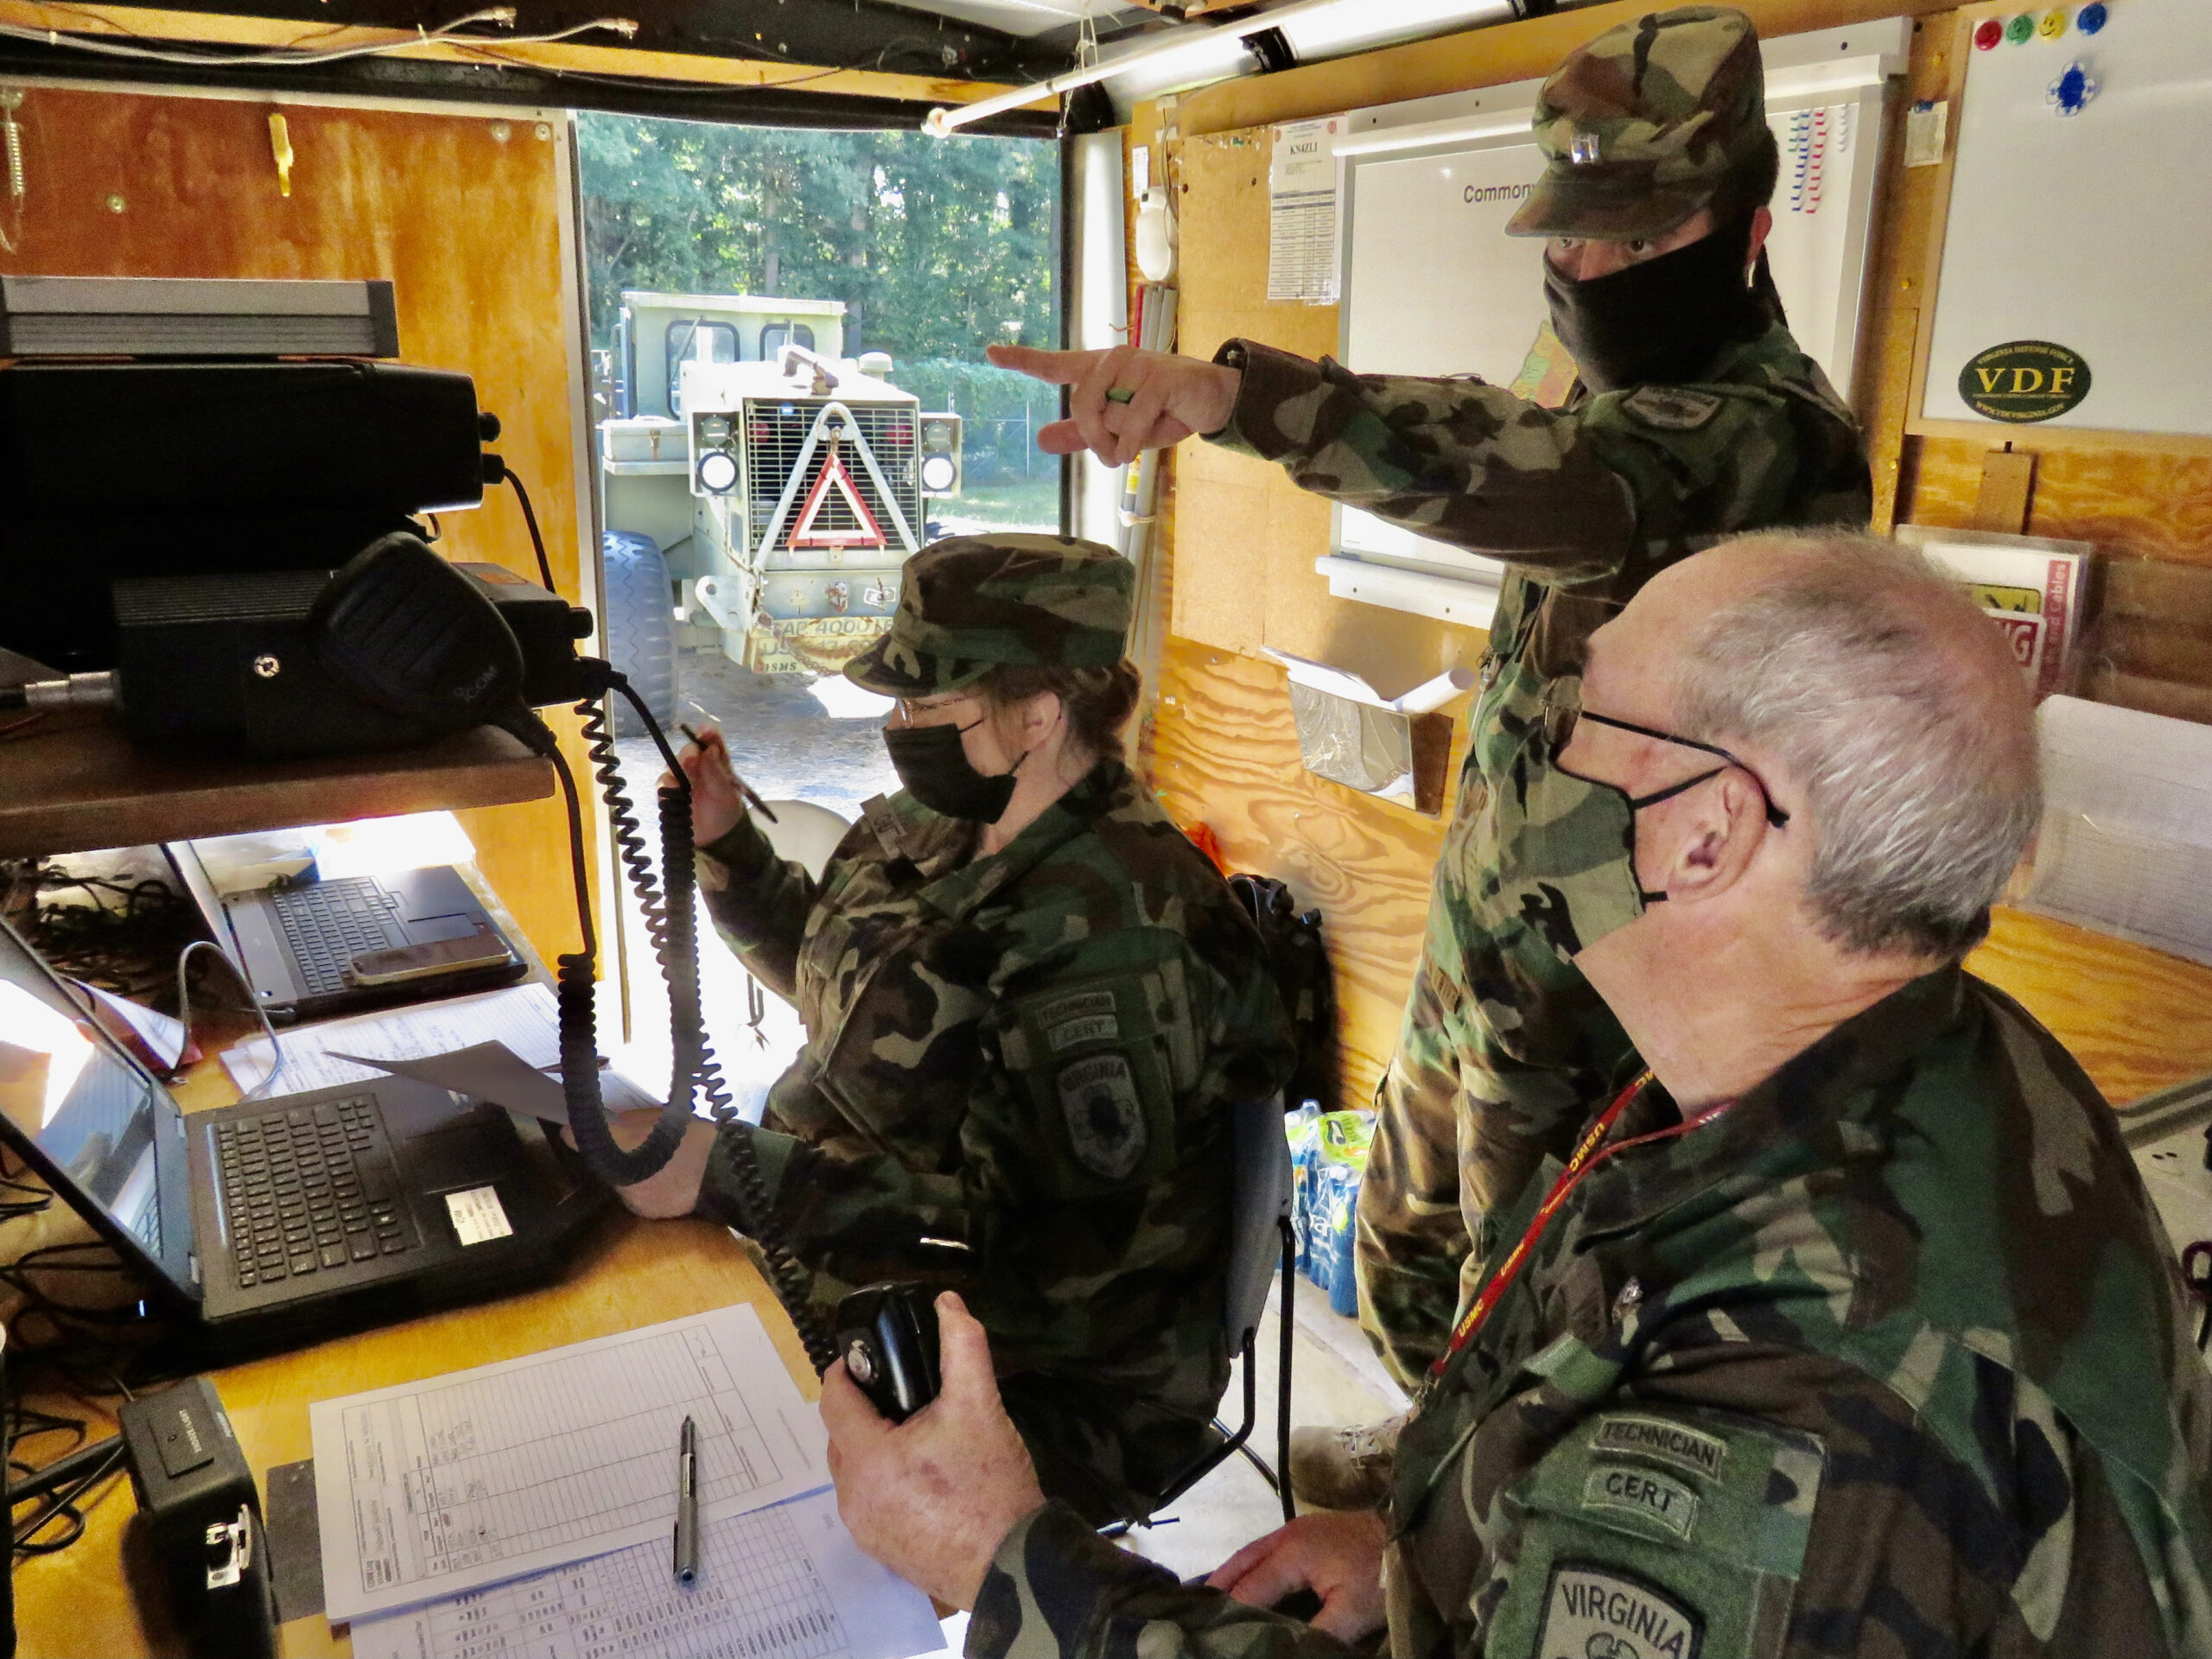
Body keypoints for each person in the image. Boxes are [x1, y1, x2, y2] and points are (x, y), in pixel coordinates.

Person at [818, 531, 2212, 1656]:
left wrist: (1000, 1562)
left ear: (1706, 833)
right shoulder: (1906, 1054)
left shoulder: (1804, 1399)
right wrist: (1441, 1555)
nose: (1527, 766)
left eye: (1578, 722)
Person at [994, 3, 1874, 1503]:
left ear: (1742, 226)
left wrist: (1234, 397)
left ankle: (1477, 1545)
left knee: (1541, 1319)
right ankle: (1428, 1466)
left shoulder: (1768, 437)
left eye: (1636, 235)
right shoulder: (1615, 390)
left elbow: (1553, 476)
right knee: (1412, 1260)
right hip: (1487, 948)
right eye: (1571, 233)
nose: (1589, 266)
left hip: (1616, 1004)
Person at [606, 532, 1295, 1528]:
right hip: (863, 1258)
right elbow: (858, 999)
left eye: (926, 706)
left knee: (697, 1502)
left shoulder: (1120, 941)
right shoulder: (943, 820)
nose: (900, 726)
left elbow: (1037, 1253)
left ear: (1037, 717)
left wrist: (738, 1174)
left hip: (1038, 1377)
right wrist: (729, 847)